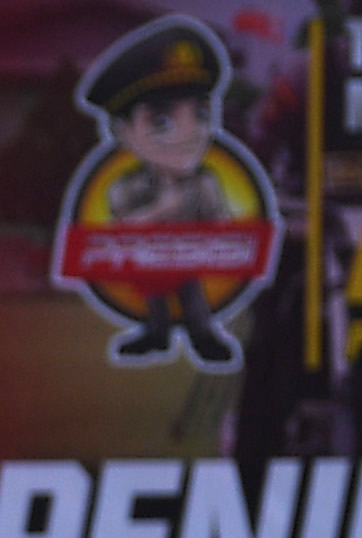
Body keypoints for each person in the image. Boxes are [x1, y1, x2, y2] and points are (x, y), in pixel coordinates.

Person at [79, 19, 244, 366]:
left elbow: (224, 229)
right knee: (152, 285)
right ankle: (156, 333)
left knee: (190, 285)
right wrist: (162, 210)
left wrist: (215, 234)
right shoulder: (127, 186)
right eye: (162, 122)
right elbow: (118, 234)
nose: (188, 133)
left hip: (189, 263)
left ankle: (203, 334)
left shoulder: (205, 183)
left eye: (200, 114)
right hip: (149, 268)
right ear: (124, 133)